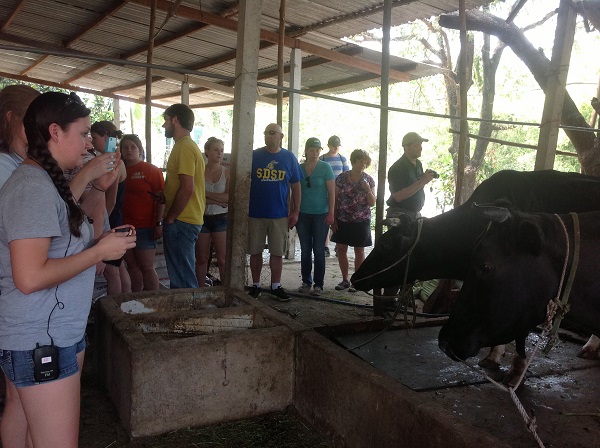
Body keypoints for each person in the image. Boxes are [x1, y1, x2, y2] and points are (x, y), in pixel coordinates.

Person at [0, 91, 136, 448]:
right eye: (84, 133)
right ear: (56, 132)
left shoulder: (44, 182)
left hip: (50, 332)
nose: (90, 142)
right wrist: (98, 253)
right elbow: (29, 277)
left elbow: (55, 249)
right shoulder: (31, 187)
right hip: (42, 337)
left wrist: (99, 245)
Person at [248, 123, 302, 302]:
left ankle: (276, 285)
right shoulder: (254, 155)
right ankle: (255, 285)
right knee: (255, 251)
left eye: (272, 133)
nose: (268, 136)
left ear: (281, 136)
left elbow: (296, 185)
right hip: (255, 213)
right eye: (266, 133)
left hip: (279, 214)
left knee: (277, 252)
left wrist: (295, 211)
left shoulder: (289, 158)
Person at [160, 104, 206, 289]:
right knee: (181, 275)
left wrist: (171, 217)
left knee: (182, 280)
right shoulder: (187, 146)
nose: (164, 126)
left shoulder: (184, 147)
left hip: (182, 220)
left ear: (175, 120)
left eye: (166, 120)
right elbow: (183, 186)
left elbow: (187, 188)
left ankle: (191, 316)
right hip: (186, 219)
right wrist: (165, 195)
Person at [90, 120, 131, 294]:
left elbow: (111, 200)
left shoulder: (115, 162)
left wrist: (99, 229)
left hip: (111, 218)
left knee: (112, 271)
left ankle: (114, 310)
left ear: (106, 137)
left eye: (94, 137)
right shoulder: (112, 160)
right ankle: (125, 304)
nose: (91, 142)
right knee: (120, 267)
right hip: (114, 217)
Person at [121, 134, 165, 291]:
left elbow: (161, 199)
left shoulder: (151, 170)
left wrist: (159, 223)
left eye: (133, 147)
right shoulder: (119, 170)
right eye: (125, 147)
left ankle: (154, 300)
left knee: (147, 266)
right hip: (124, 226)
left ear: (140, 150)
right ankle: (136, 299)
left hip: (146, 226)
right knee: (131, 265)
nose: (129, 150)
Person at [331, 149, 376, 293]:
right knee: (341, 249)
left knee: (359, 250)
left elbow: (372, 202)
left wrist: (368, 190)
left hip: (361, 220)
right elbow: (334, 199)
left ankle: (357, 281)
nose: (362, 164)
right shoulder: (342, 178)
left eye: (365, 161)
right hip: (342, 219)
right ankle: (345, 280)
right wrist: (333, 218)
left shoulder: (368, 180)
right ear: (353, 161)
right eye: (360, 160)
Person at [296, 137, 335, 296]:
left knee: (319, 250)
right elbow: (294, 191)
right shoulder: (299, 168)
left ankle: (319, 284)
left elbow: (332, 193)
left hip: (321, 214)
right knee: (305, 250)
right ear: (306, 151)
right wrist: (294, 211)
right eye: (312, 150)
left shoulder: (326, 168)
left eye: (317, 150)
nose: (315, 153)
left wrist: (331, 213)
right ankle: (306, 281)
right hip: (303, 213)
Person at [195, 137, 229, 287]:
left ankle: (225, 291)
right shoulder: (199, 170)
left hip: (221, 218)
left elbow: (228, 198)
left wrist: (206, 195)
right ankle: (200, 291)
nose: (219, 153)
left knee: (222, 259)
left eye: (221, 150)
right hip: (202, 218)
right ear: (207, 151)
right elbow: (195, 195)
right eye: (215, 150)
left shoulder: (227, 172)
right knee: (202, 258)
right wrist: (218, 200)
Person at [386, 131, 437, 219]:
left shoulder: (418, 164)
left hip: (414, 214)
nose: (420, 148)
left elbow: (415, 186)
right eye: (416, 145)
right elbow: (398, 196)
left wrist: (425, 178)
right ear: (406, 147)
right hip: (399, 215)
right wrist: (423, 181)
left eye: (420, 145)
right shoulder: (397, 168)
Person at [320, 135, 349, 257]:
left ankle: (339, 245)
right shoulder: (322, 159)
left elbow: (347, 175)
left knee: (340, 219)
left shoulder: (342, 159)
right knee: (327, 218)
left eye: (338, 146)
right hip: (326, 192)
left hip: (340, 193)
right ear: (329, 146)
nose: (336, 148)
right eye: (334, 145)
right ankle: (326, 246)